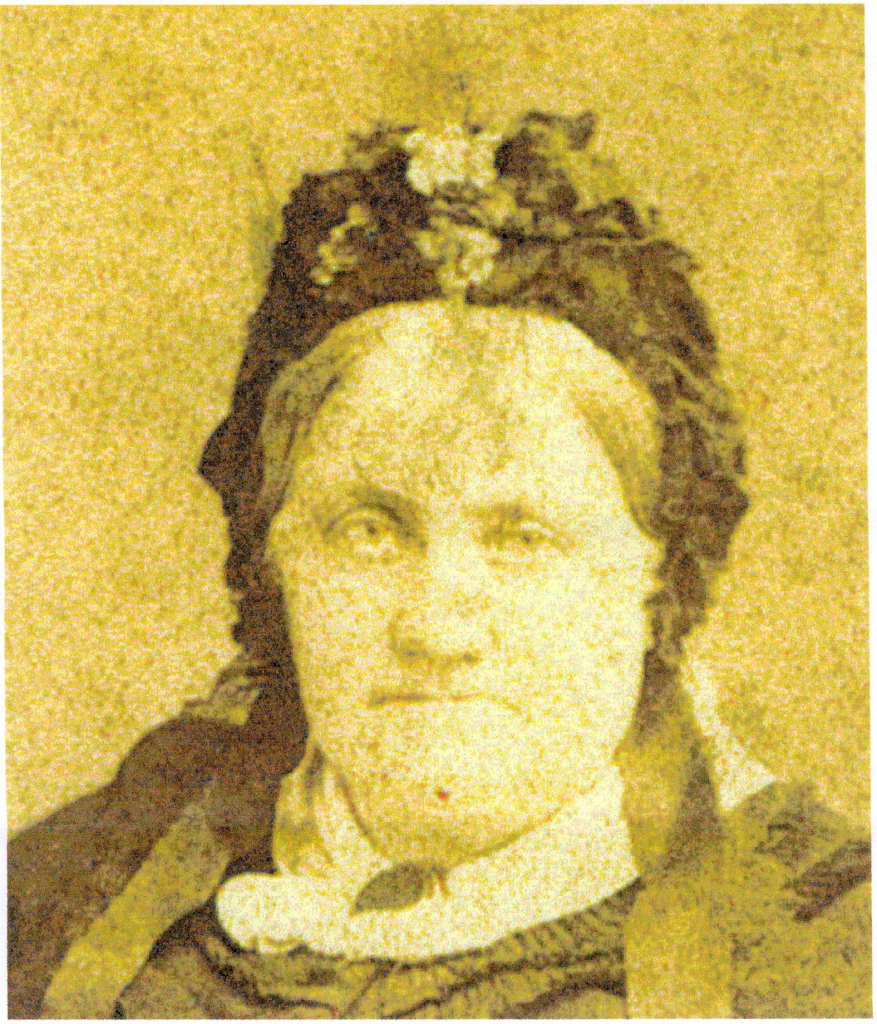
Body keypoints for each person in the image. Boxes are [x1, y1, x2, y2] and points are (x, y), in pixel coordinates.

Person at [9, 112, 870, 1019]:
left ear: (654, 571)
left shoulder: (827, 951)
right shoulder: (57, 899)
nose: (436, 628)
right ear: (276, 558)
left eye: (523, 538)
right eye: (368, 533)